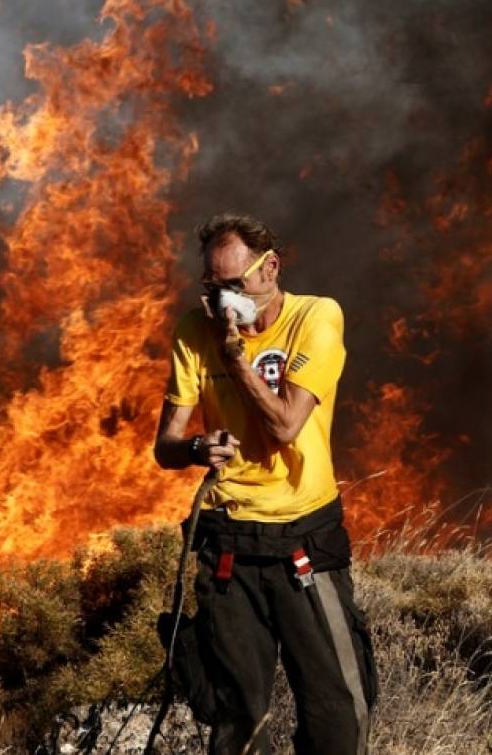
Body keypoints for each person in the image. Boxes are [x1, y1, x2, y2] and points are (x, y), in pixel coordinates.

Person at [153, 213, 377, 754]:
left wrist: (238, 357)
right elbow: (166, 447)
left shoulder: (316, 318)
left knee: (336, 713)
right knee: (238, 720)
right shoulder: (192, 332)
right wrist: (198, 449)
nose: (222, 301)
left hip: (302, 542)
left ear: (270, 268)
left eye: (234, 286)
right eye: (212, 288)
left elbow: (284, 426)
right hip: (228, 545)